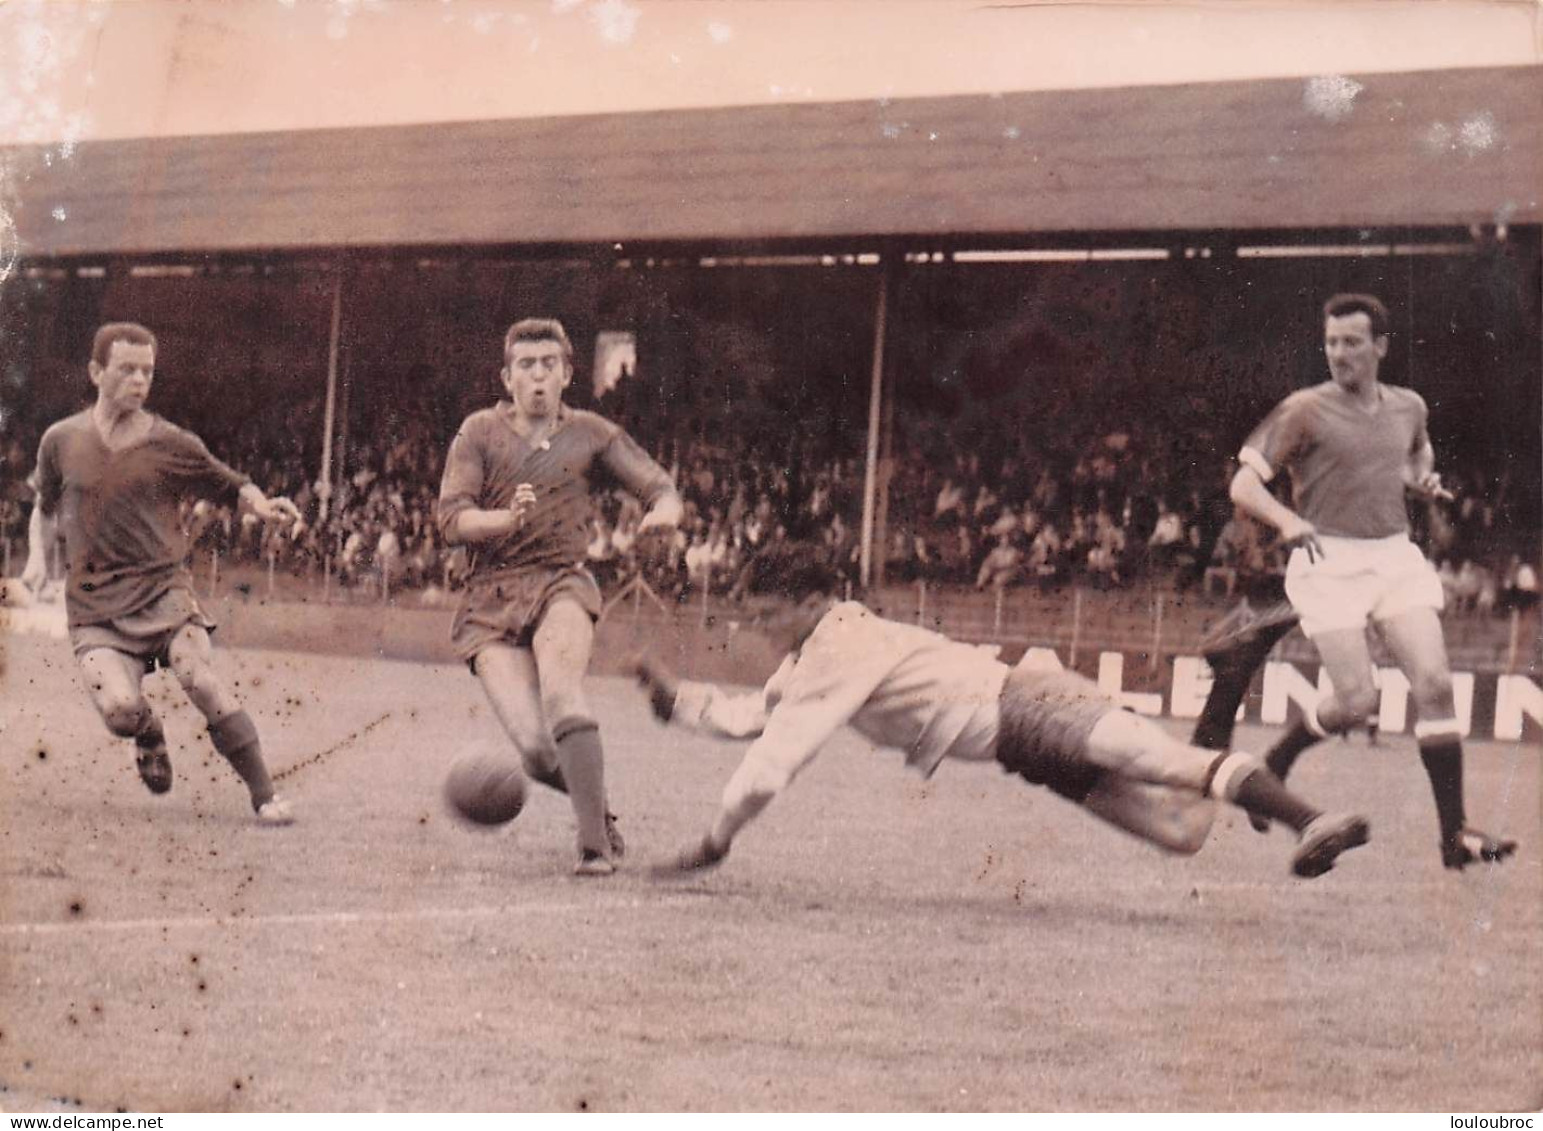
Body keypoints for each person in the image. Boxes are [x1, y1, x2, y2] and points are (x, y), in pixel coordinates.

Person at [631, 569, 1371, 881]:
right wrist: (679, 706)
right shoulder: (810, 659)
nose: (761, 627)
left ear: (815, 600)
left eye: (770, 612)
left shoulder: (835, 644)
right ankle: (1232, 674)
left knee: (1180, 771)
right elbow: (752, 718)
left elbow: (772, 762)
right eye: (756, 614)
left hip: (1030, 706)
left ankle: (1312, 818)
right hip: (1021, 742)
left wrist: (715, 840)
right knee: (1184, 829)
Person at [1213, 293, 1515, 870]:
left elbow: (1414, 459)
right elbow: (1244, 487)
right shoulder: (1303, 409)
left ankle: (1455, 837)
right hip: (1329, 558)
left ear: (1380, 347)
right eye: (1331, 342)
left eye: (1352, 342)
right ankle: (1277, 761)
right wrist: (1288, 519)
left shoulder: (1409, 407)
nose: (1339, 353)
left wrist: (1421, 482)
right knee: (1357, 701)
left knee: (1434, 683)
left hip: (1393, 555)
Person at [20, 322, 300, 824]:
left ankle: (265, 796)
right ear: (95, 372)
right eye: (127, 369)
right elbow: (43, 506)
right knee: (120, 712)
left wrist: (263, 507)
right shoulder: (59, 440)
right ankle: (148, 731)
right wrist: (37, 565)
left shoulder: (172, 442)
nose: (139, 380)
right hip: (93, 606)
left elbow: (230, 484)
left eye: (147, 371)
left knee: (201, 679)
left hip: (163, 592)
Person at [437, 318, 682, 876]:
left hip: (560, 582)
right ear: (507, 376)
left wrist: (663, 514)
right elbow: (451, 520)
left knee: (562, 695)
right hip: (488, 599)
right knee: (535, 750)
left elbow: (658, 486)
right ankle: (600, 814)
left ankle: (592, 848)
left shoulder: (592, 432)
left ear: (568, 373)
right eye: (526, 365)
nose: (538, 375)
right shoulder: (478, 431)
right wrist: (506, 519)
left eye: (549, 364)